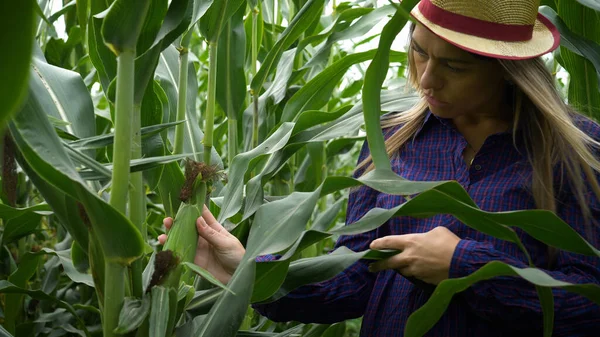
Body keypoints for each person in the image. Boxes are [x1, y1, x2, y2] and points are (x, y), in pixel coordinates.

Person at [159, 0, 600, 335]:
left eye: (454, 66)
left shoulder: (576, 151)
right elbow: (354, 279)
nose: (425, 80)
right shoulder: (390, 138)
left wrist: (463, 265)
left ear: (509, 70)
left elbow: (589, 304)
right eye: (419, 52)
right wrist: (251, 272)